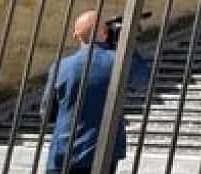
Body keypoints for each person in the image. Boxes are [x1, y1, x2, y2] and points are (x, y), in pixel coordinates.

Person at [43, 9, 147, 174]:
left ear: (77, 35)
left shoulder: (60, 66)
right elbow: (142, 80)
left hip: (61, 154)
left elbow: (46, 113)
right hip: (100, 154)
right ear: (105, 33)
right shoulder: (115, 61)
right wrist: (128, 44)